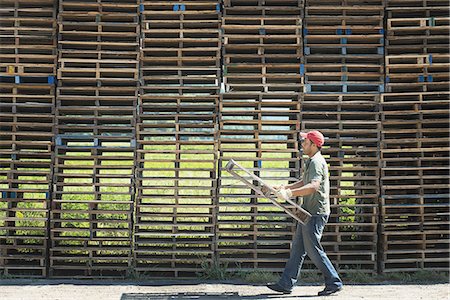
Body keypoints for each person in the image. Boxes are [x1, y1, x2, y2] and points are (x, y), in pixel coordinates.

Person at [266, 130, 343, 296]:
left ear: (314, 145)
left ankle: (334, 281)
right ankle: (286, 283)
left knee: (313, 250)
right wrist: (285, 188)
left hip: (316, 213)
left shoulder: (316, 162)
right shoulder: (310, 161)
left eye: (305, 142)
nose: (302, 144)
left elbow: (314, 186)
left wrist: (290, 194)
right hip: (307, 211)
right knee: (298, 249)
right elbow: (304, 182)